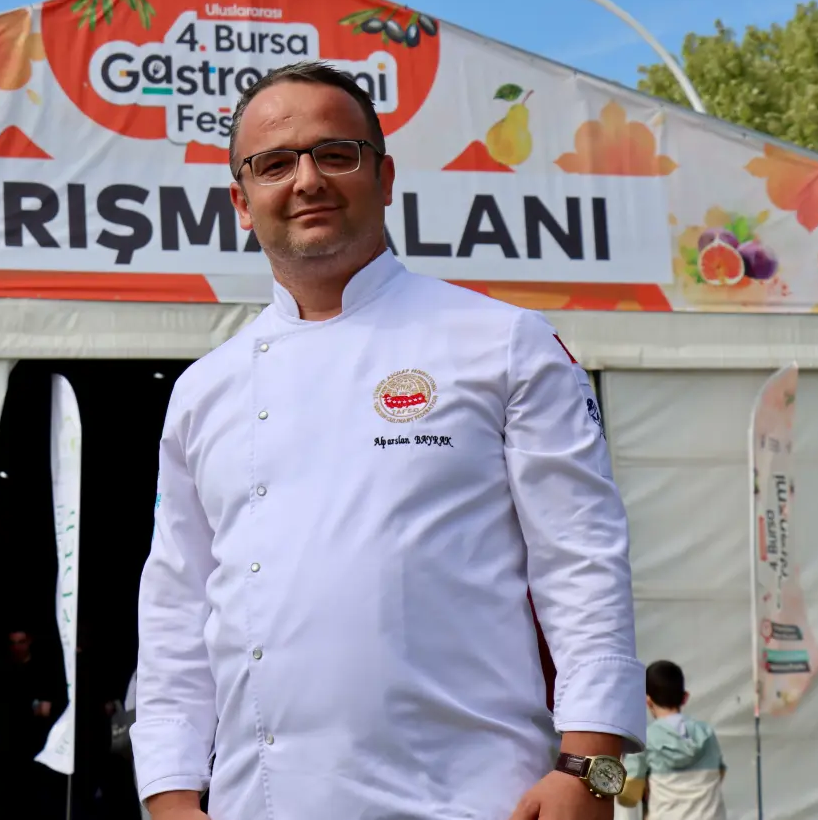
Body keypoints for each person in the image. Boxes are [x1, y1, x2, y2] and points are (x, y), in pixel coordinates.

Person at [130, 60, 647, 820]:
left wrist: (590, 766)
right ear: (241, 201)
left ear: (385, 176)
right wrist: (169, 792)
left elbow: (582, 560)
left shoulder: (503, 342)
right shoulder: (205, 390)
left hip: (476, 800)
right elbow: (176, 607)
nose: (307, 180)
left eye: (335, 154)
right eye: (275, 164)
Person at [620, 661, 727, 819]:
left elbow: (629, 794)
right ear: (685, 698)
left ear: (648, 701)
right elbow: (719, 773)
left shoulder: (646, 739)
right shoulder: (707, 733)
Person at [0, 629, 65, 820]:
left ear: (29, 642)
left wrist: (46, 709)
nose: (17, 647)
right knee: (8, 795)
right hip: (8, 742)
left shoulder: (43, 670)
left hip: (36, 742)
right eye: (13, 642)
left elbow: (51, 706)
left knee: (36, 795)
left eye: (21, 642)